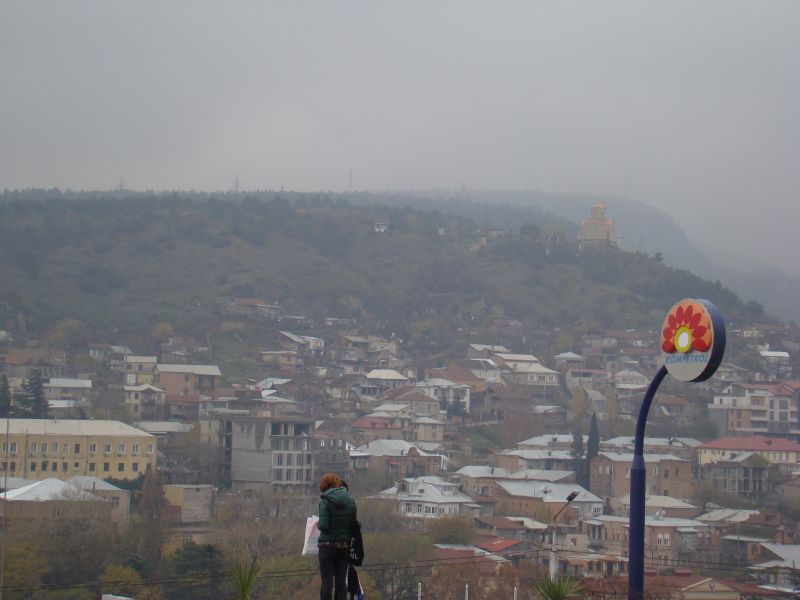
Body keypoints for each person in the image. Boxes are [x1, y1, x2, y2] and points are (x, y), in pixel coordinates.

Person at [317, 473, 357, 600]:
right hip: (344, 545)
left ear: (324, 486)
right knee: (341, 581)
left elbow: (323, 525)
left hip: (327, 546)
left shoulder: (325, 500)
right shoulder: (350, 499)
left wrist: (317, 523)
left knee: (327, 581)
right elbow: (353, 523)